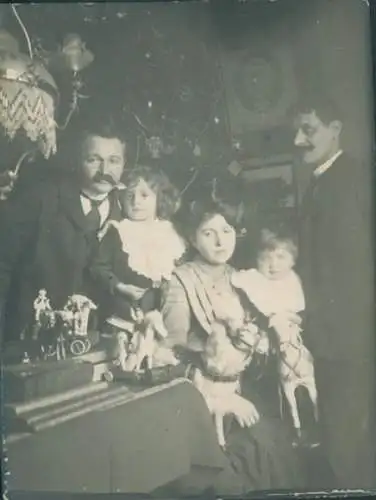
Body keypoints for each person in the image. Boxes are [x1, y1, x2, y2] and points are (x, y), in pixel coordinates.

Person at [161, 194, 303, 494]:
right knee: (229, 472)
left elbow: (260, 343)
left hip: (243, 387)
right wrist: (219, 401)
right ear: (192, 238)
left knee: (276, 453)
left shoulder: (245, 278)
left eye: (226, 231)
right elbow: (171, 352)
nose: (219, 241)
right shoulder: (180, 280)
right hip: (200, 397)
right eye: (208, 233)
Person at [293, 96, 375, 488]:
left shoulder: (359, 177)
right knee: (339, 432)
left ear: (335, 128)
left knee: (352, 435)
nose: (298, 139)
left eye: (308, 129)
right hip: (328, 335)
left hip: (356, 335)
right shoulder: (317, 183)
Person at [0, 120, 127, 346]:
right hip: (31, 338)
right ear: (77, 161)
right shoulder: (41, 199)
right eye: (93, 160)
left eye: (114, 161)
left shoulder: (130, 210)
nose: (105, 171)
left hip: (97, 344)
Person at [90, 166, 185, 365]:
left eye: (144, 195)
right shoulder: (118, 231)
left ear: (160, 198)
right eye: (130, 195)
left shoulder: (169, 232)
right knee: (126, 360)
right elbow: (98, 268)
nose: (136, 202)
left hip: (162, 315)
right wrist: (120, 286)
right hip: (124, 314)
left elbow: (179, 271)